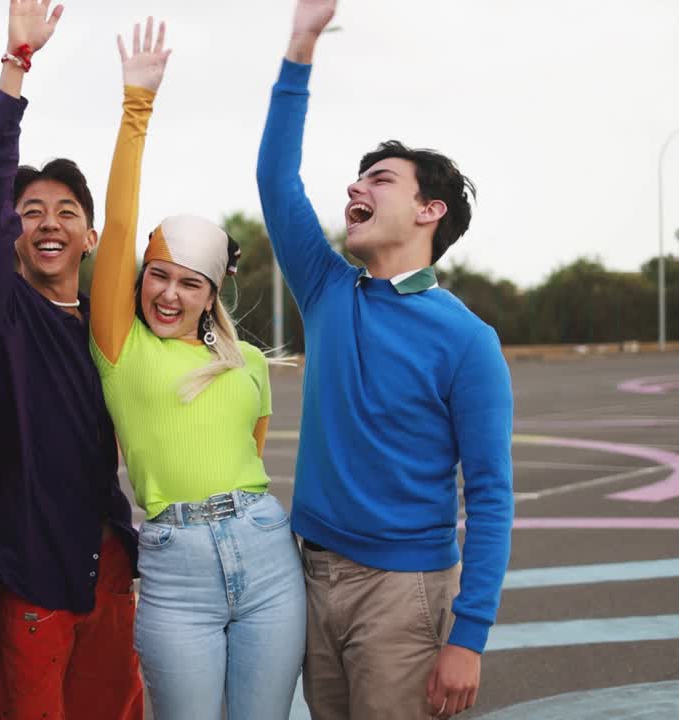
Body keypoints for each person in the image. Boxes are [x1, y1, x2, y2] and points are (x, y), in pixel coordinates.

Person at [255, 1, 515, 718]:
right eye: (358, 177)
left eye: (380, 179)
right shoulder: (326, 290)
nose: (356, 188)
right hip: (309, 577)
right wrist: (300, 48)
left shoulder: (468, 340)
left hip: (405, 596)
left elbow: (490, 494)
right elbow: (277, 180)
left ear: (430, 211)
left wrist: (468, 637)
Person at [88, 19, 305, 720]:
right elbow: (119, 227)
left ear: (211, 295)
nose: (169, 294)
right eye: (158, 275)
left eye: (189, 283)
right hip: (175, 567)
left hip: (267, 552)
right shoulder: (120, 347)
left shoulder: (248, 364)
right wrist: (137, 104)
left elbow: (250, 458)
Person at [0, 1, 143, 717]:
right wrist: (16, 64)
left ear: (90, 238)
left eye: (67, 212)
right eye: (31, 211)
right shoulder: (4, 312)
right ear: (13, 233)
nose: (48, 222)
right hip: (31, 569)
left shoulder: (109, 327)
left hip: (107, 565)